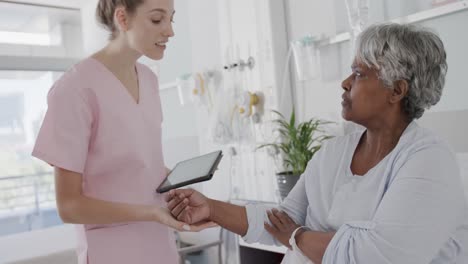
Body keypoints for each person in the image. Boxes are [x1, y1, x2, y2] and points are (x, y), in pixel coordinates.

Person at [166, 23, 468, 263]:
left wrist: (296, 236)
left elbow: (375, 257)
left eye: (359, 73)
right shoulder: (334, 153)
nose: (345, 82)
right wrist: (211, 208)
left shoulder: (428, 161)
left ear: (397, 90)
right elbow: (281, 221)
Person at [32, 0, 213, 263]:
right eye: (156, 20)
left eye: (171, 19)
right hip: (112, 252)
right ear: (122, 19)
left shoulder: (149, 80)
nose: (170, 31)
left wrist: (177, 182)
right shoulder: (75, 90)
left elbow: (141, 165)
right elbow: (69, 206)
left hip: (160, 244)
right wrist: (150, 212)